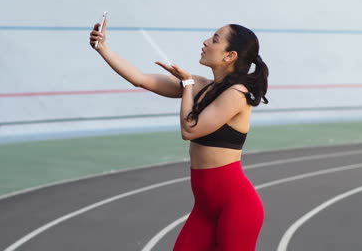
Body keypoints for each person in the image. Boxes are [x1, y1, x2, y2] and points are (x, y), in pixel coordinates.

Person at [90, 19, 268, 250]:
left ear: (229, 55)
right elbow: (140, 79)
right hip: (204, 209)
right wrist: (102, 48)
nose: (205, 42)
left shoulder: (237, 93)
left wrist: (187, 86)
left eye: (214, 39)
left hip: (236, 208)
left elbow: (190, 129)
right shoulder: (202, 86)